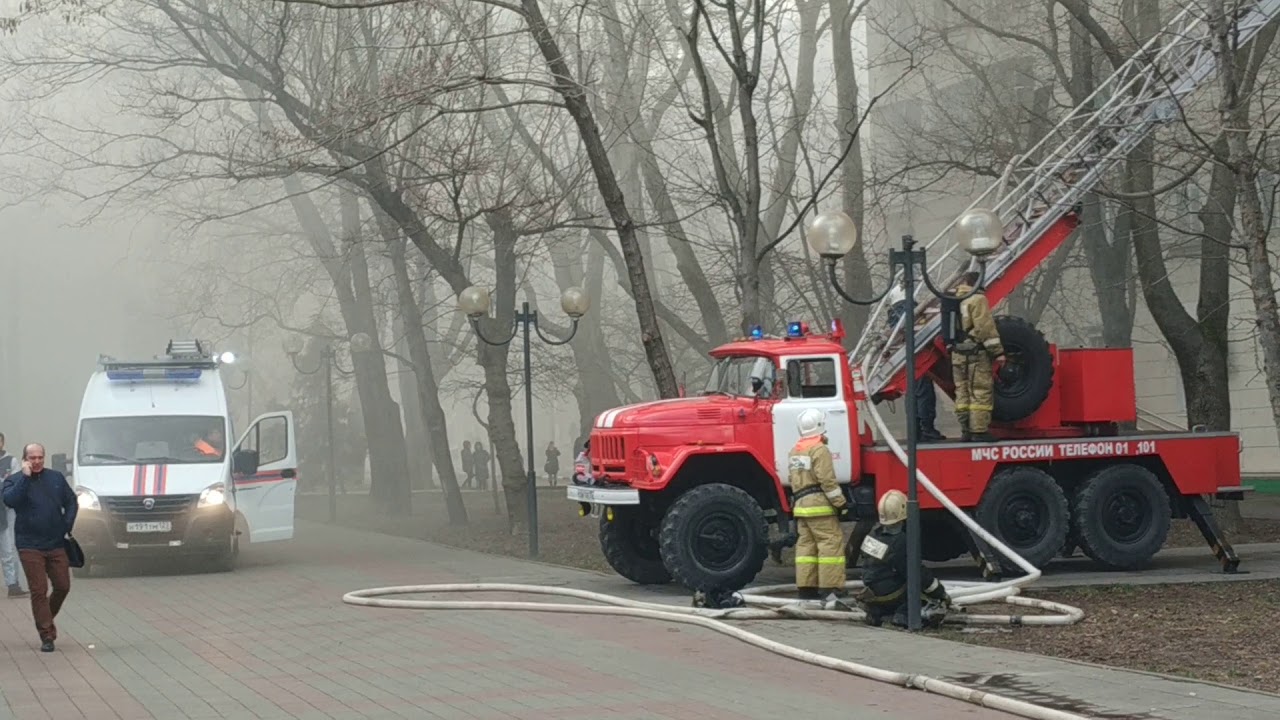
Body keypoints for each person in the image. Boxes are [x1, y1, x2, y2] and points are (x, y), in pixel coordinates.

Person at [2, 443, 77, 652]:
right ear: (25, 459)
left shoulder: (55, 478)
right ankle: (47, 636)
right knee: (39, 590)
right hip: (29, 545)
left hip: (55, 542)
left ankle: (43, 617)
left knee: (63, 586)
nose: (36, 462)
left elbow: (71, 501)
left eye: (40, 457)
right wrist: (25, 478)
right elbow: (10, 501)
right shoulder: (14, 481)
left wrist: (66, 524)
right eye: (32, 458)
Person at [855, 489, 951, 628]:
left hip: (872, 592)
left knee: (891, 580)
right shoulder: (900, 541)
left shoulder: (873, 535)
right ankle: (904, 616)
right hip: (890, 593)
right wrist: (939, 592)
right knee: (918, 593)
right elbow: (916, 573)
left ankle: (877, 612)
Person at [787, 408, 848, 601]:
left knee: (806, 548)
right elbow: (827, 480)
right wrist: (840, 504)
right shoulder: (819, 450)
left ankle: (806, 588)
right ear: (820, 426)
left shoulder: (795, 450)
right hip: (819, 505)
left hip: (801, 506)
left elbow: (792, 479)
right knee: (829, 544)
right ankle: (831, 589)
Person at [886, 280, 945, 442]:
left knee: (911, 395)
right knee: (924, 393)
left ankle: (915, 431)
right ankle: (927, 429)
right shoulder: (908, 311)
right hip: (917, 358)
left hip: (904, 362)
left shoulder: (893, 316)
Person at [950, 270, 1004, 442]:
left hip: (957, 354)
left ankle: (965, 430)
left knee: (962, 393)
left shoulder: (952, 300)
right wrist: (998, 353)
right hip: (975, 353)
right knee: (980, 391)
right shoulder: (977, 299)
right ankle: (979, 431)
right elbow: (984, 328)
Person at [0, 433, 28, 598]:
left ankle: (13, 584)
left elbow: (16, 483)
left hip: (6, 510)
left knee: (9, 549)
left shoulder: (11, 461)